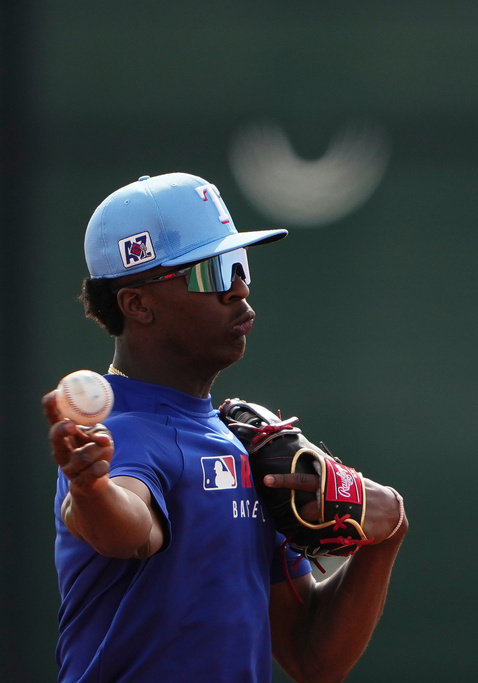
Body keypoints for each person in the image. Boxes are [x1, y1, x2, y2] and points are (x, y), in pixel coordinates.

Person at [43, 172, 408, 683]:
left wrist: (385, 535)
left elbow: (312, 657)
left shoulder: (244, 444)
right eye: (211, 271)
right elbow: (127, 531)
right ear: (137, 304)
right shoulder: (120, 433)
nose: (237, 288)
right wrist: (89, 488)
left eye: (239, 265)